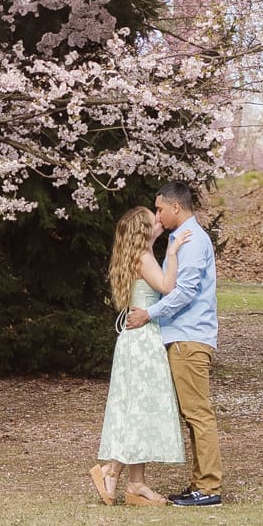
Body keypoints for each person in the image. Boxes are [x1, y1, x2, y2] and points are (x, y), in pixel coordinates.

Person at [127, 179, 223, 507]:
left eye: (159, 209)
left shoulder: (192, 241)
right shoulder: (181, 238)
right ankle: (200, 483)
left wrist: (149, 314)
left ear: (176, 207)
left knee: (198, 414)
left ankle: (208, 488)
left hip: (188, 338)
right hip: (183, 337)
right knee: (192, 413)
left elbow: (184, 292)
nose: (157, 215)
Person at [91, 207, 183, 507]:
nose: (159, 218)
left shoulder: (136, 255)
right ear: (143, 230)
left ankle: (135, 482)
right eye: (152, 217)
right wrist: (174, 252)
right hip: (143, 341)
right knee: (139, 409)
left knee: (136, 408)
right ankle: (113, 471)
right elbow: (167, 287)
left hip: (133, 340)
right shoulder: (143, 257)